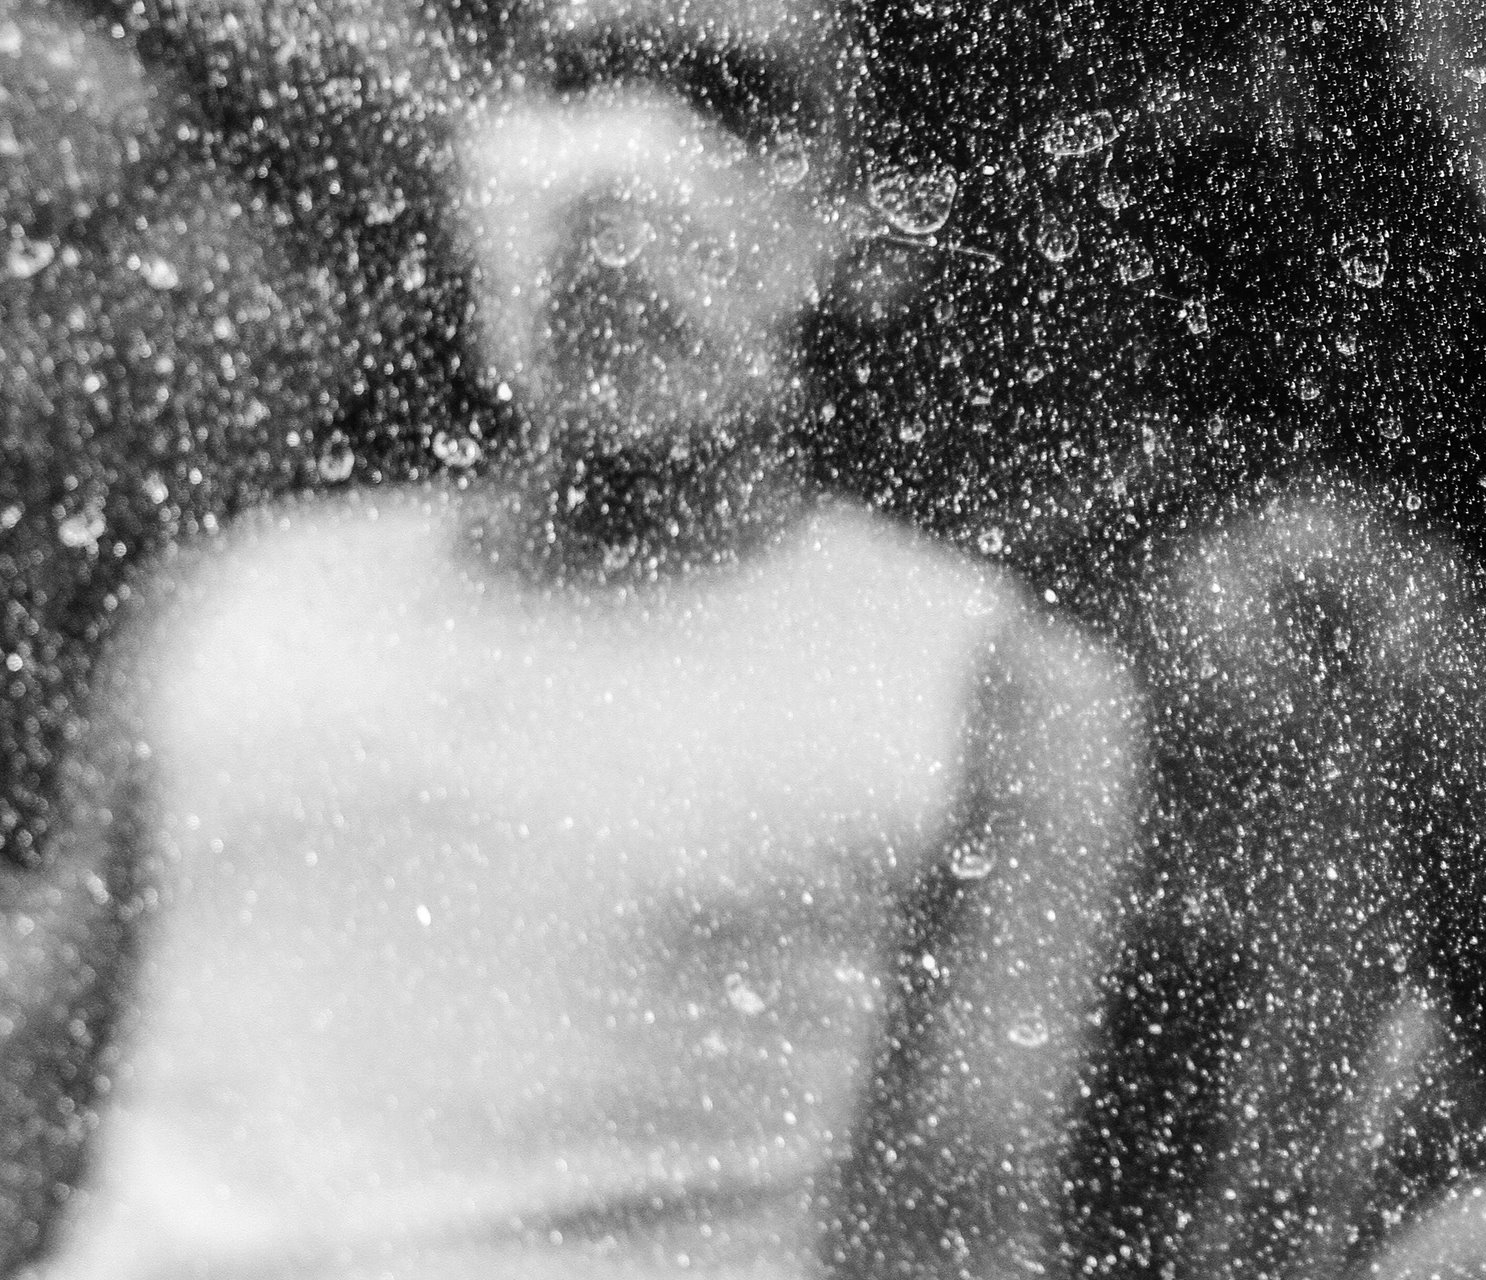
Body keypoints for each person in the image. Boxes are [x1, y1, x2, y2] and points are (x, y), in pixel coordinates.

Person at [19, 0, 1141, 1274]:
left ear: (861, 224)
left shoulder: (999, 691)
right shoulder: (235, 595)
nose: (625, 156)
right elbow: (26, 1088)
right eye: (578, 80)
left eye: (732, 99)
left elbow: (962, 1221)